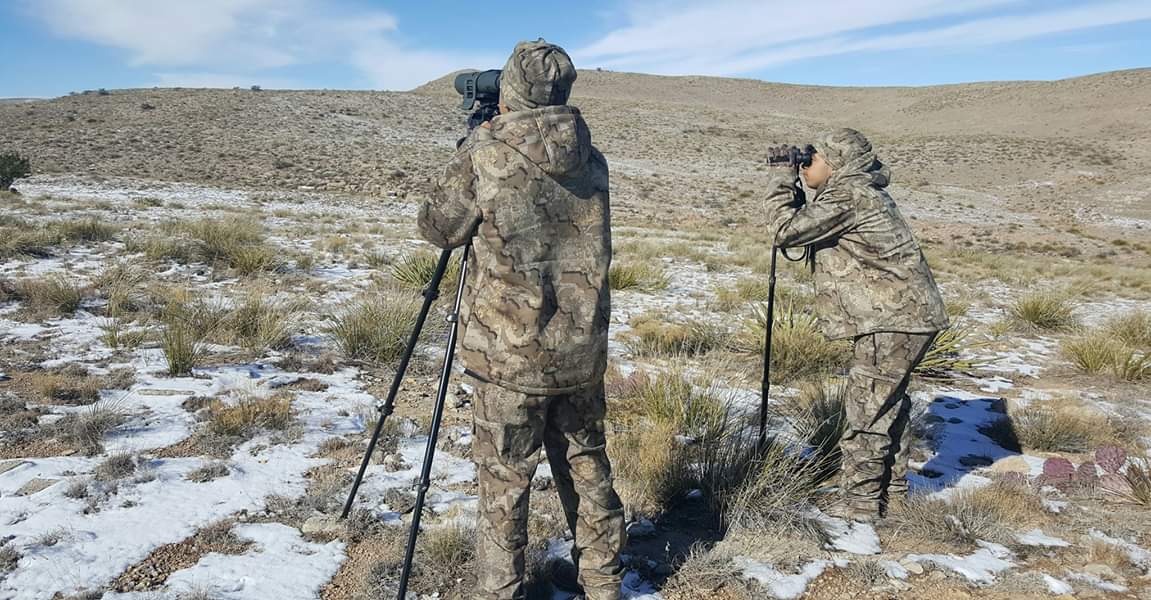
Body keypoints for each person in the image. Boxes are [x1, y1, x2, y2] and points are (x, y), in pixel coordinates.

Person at [417, 39, 625, 600]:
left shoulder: (484, 154)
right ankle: (603, 583)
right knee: (586, 466)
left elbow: (439, 228)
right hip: (580, 350)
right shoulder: (592, 157)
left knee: (504, 483)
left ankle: (501, 590)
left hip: (508, 357)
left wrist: (472, 143)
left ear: (509, 90)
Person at [764, 128, 949, 521]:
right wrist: (800, 187)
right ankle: (892, 495)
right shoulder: (858, 191)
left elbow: (784, 232)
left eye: (812, 159)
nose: (805, 165)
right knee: (887, 406)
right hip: (904, 317)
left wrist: (782, 179)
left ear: (835, 163)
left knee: (867, 410)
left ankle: (859, 504)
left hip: (891, 319)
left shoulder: (849, 194)